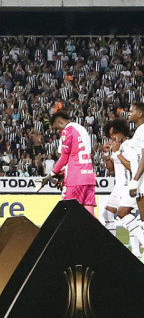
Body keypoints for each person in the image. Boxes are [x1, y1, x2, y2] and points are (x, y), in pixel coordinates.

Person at [41, 109, 97, 216]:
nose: (58, 132)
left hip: (75, 179)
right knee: (89, 216)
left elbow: (64, 158)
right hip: (89, 177)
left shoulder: (67, 131)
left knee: (67, 214)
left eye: (56, 129)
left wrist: (51, 174)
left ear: (60, 122)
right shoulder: (82, 130)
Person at [101, 118, 144, 257]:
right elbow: (111, 169)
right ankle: (122, 249)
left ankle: (137, 246)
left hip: (127, 186)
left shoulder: (130, 145)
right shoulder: (117, 146)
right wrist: (107, 155)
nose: (113, 137)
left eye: (115, 133)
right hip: (118, 187)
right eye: (110, 135)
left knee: (123, 214)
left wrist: (116, 153)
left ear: (122, 131)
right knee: (108, 214)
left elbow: (132, 166)